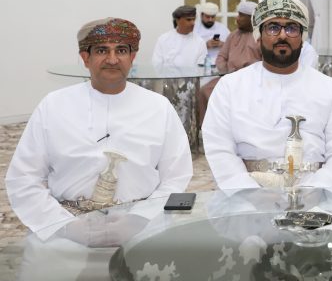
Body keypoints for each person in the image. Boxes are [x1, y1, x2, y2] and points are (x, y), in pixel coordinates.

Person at [5, 18, 193, 234]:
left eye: (121, 50)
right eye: (102, 50)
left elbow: (177, 177)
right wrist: (65, 226)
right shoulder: (54, 105)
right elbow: (24, 178)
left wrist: (140, 219)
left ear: (132, 57)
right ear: (85, 58)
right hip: (65, 230)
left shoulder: (159, 107)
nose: (112, 59)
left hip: (140, 230)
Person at [202, 0, 332, 190]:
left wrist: (316, 194)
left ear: (302, 38)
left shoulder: (329, 88)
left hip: (315, 194)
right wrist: (247, 195)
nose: (282, 35)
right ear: (259, 36)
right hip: (247, 195)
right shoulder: (230, 87)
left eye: (292, 28)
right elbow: (219, 148)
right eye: (273, 27)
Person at [197, 1, 262, 128]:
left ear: (251, 18)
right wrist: (225, 71)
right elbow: (221, 56)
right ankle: (207, 129)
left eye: (241, 15)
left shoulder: (261, 36)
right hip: (228, 77)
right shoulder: (233, 35)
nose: (237, 18)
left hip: (251, 81)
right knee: (205, 91)